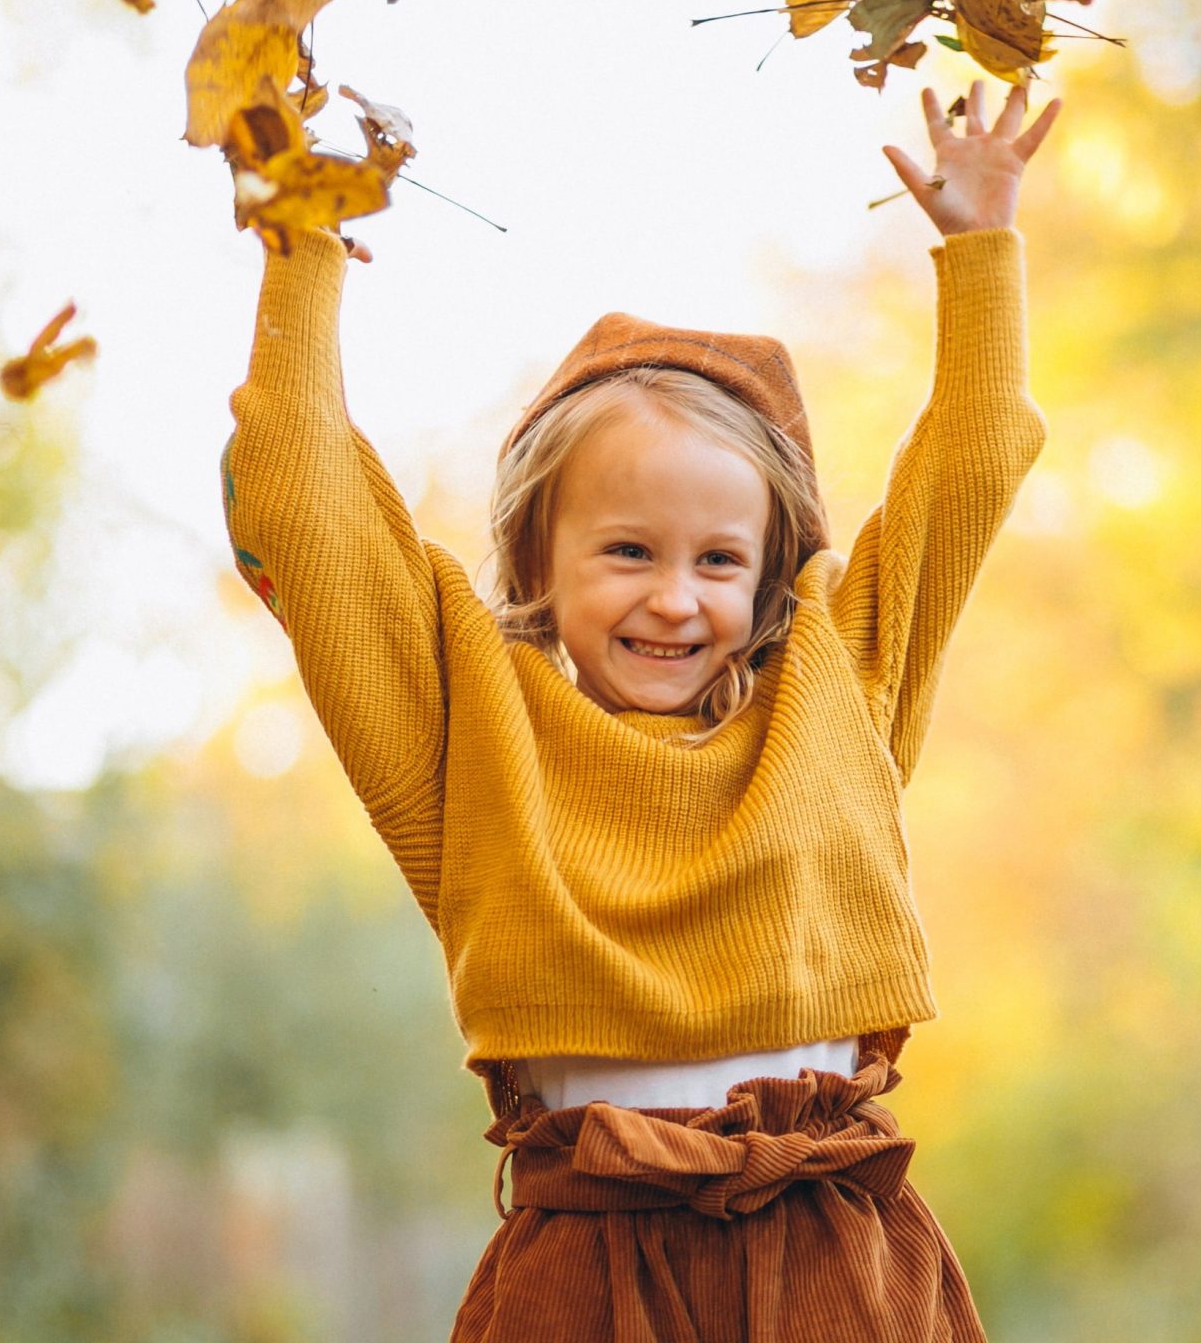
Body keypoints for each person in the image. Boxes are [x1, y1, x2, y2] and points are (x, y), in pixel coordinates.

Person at [220, 78, 1064, 1341]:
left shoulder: (836, 690)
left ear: (770, 574)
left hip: (831, 1258)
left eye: (718, 560)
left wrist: (981, 247)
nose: (674, 598)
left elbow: (972, 462)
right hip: (588, 1270)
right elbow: (301, 508)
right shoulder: (469, 733)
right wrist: (302, 250)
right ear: (539, 556)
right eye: (627, 550)